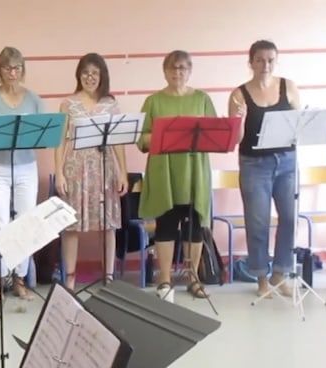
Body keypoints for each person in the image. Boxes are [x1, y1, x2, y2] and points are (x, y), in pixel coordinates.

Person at [138, 50, 217, 303]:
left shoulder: (202, 99)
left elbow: (215, 133)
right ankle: (164, 279)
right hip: (165, 173)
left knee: (195, 227)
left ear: (190, 71)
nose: (177, 72)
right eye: (172, 68)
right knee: (166, 225)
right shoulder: (153, 101)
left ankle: (193, 278)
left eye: (182, 68)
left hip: (195, 172)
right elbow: (141, 139)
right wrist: (162, 135)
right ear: (165, 71)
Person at [228, 40, 301, 298]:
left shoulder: (288, 87)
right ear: (251, 62)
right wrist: (240, 119)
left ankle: (280, 274)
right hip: (254, 165)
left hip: (287, 162)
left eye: (270, 60)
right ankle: (261, 278)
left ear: (276, 61)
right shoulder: (239, 94)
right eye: (259, 60)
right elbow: (235, 140)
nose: (265, 65)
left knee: (290, 219)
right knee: (258, 223)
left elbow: (299, 125)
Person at [0, 46, 46, 302]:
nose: (12, 73)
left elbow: (43, 136)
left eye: (17, 68)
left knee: (26, 222)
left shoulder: (34, 100)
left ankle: (19, 278)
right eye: (7, 68)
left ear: (22, 70)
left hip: (26, 167)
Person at [55, 53, 128, 290]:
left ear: (102, 76)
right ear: (79, 75)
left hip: (104, 168)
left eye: (95, 73)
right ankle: (70, 278)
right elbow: (60, 141)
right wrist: (59, 172)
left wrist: (123, 172)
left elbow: (118, 141)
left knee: (108, 224)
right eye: (85, 72)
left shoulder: (111, 104)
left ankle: (108, 276)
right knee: (71, 225)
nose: (90, 77)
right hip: (75, 169)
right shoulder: (68, 104)